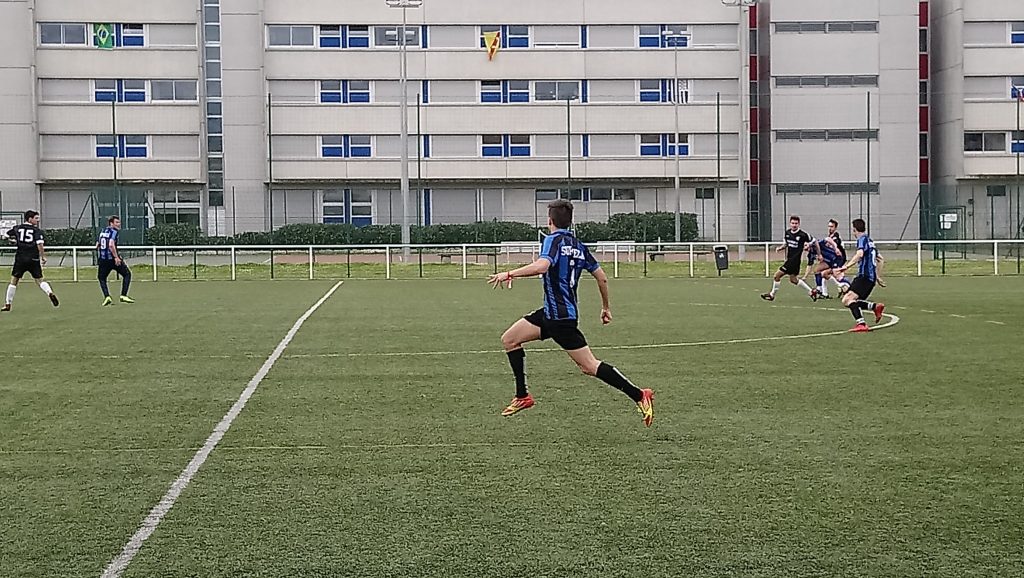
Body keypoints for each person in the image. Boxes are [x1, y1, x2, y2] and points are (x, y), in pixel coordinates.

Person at [487, 200, 655, 427]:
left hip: (560, 321)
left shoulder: (551, 240)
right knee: (510, 339)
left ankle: (639, 394)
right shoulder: (578, 245)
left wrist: (509, 274)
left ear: (550, 221)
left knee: (589, 366)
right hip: (553, 314)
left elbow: (542, 266)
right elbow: (602, 277)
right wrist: (606, 307)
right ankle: (522, 397)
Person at [3, 210, 59, 311]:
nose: (37, 221)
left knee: (14, 281)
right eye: (36, 218)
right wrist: (43, 256)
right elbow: (40, 244)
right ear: (30, 219)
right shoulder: (36, 230)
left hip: (20, 258)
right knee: (40, 280)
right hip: (33, 258)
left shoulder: (17, 228)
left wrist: (13, 241)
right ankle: (49, 293)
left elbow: (6, 235)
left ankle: (8, 304)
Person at [836, 218, 885, 333]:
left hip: (864, 276)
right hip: (870, 279)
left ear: (854, 229)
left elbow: (860, 254)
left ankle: (862, 323)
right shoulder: (870, 241)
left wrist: (846, 266)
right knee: (850, 300)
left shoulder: (862, 239)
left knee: (847, 299)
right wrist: (877, 276)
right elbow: (881, 259)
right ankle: (874, 307)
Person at [761, 215, 818, 302]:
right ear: (790, 223)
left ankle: (772, 295)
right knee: (793, 280)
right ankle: (811, 291)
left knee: (777, 276)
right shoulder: (787, 233)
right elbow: (786, 244)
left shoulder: (803, 235)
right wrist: (780, 248)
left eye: (796, 223)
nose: (794, 225)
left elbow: (814, 241)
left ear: (799, 224)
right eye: (792, 223)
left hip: (793, 261)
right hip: (791, 260)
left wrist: (809, 245)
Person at [97, 215, 134, 306]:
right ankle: (123, 295)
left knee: (102, 278)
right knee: (127, 274)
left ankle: (107, 296)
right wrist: (116, 257)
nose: (119, 224)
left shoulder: (102, 231)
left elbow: (97, 244)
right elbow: (110, 244)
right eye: (117, 222)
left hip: (103, 260)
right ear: (111, 223)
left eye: (119, 222)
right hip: (112, 259)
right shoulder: (114, 232)